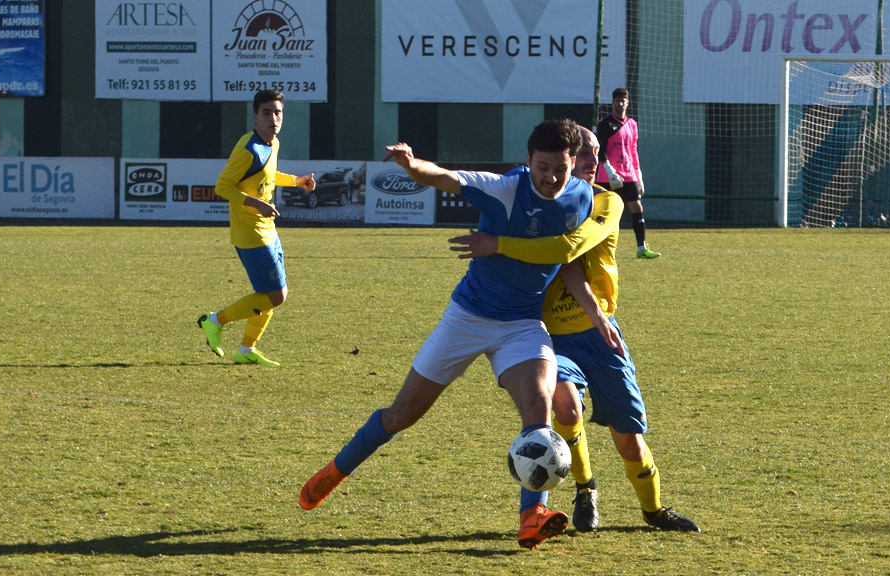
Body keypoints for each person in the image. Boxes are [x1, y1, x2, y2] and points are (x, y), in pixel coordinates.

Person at [299, 119, 610, 550]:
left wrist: (594, 311)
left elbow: (567, 258)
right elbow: (445, 177)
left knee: (538, 412)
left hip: (521, 325)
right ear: (528, 161)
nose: (551, 177)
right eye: (542, 167)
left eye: (559, 167)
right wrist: (411, 166)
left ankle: (531, 516)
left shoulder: (581, 197)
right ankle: (334, 471)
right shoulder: (504, 188)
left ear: (572, 162)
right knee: (401, 415)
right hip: (467, 318)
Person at [450, 126, 700, 534]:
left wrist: (498, 244)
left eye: (596, 153)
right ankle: (586, 489)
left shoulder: (607, 201)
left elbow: (566, 251)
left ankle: (654, 510)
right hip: (549, 333)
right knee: (564, 407)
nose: (591, 160)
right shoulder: (538, 203)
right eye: (583, 153)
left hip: (600, 333)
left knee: (629, 438)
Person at [197, 90, 315, 367]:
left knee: (269, 295)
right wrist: (256, 204)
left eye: (278, 112)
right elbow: (222, 186)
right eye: (267, 112)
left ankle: (246, 350)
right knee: (277, 295)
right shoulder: (247, 149)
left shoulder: (271, 143)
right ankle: (214, 321)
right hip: (250, 234)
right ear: (255, 116)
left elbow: (268, 175)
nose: (273, 118)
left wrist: (297, 181)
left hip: (268, 229)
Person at [596, 87, 660, 259]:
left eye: (623, 100)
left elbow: (633, 150)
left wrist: (639, 176)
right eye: (617, 100)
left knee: (636, 207)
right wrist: (609, 171)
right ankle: (597, 249)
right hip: (607, 176)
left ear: (628, 102)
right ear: (613, 102)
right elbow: (600, 151)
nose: (620, 103)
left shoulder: (632, 124)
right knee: (604, 212)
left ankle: (641, 248)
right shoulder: (605, 124)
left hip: (628, 174)